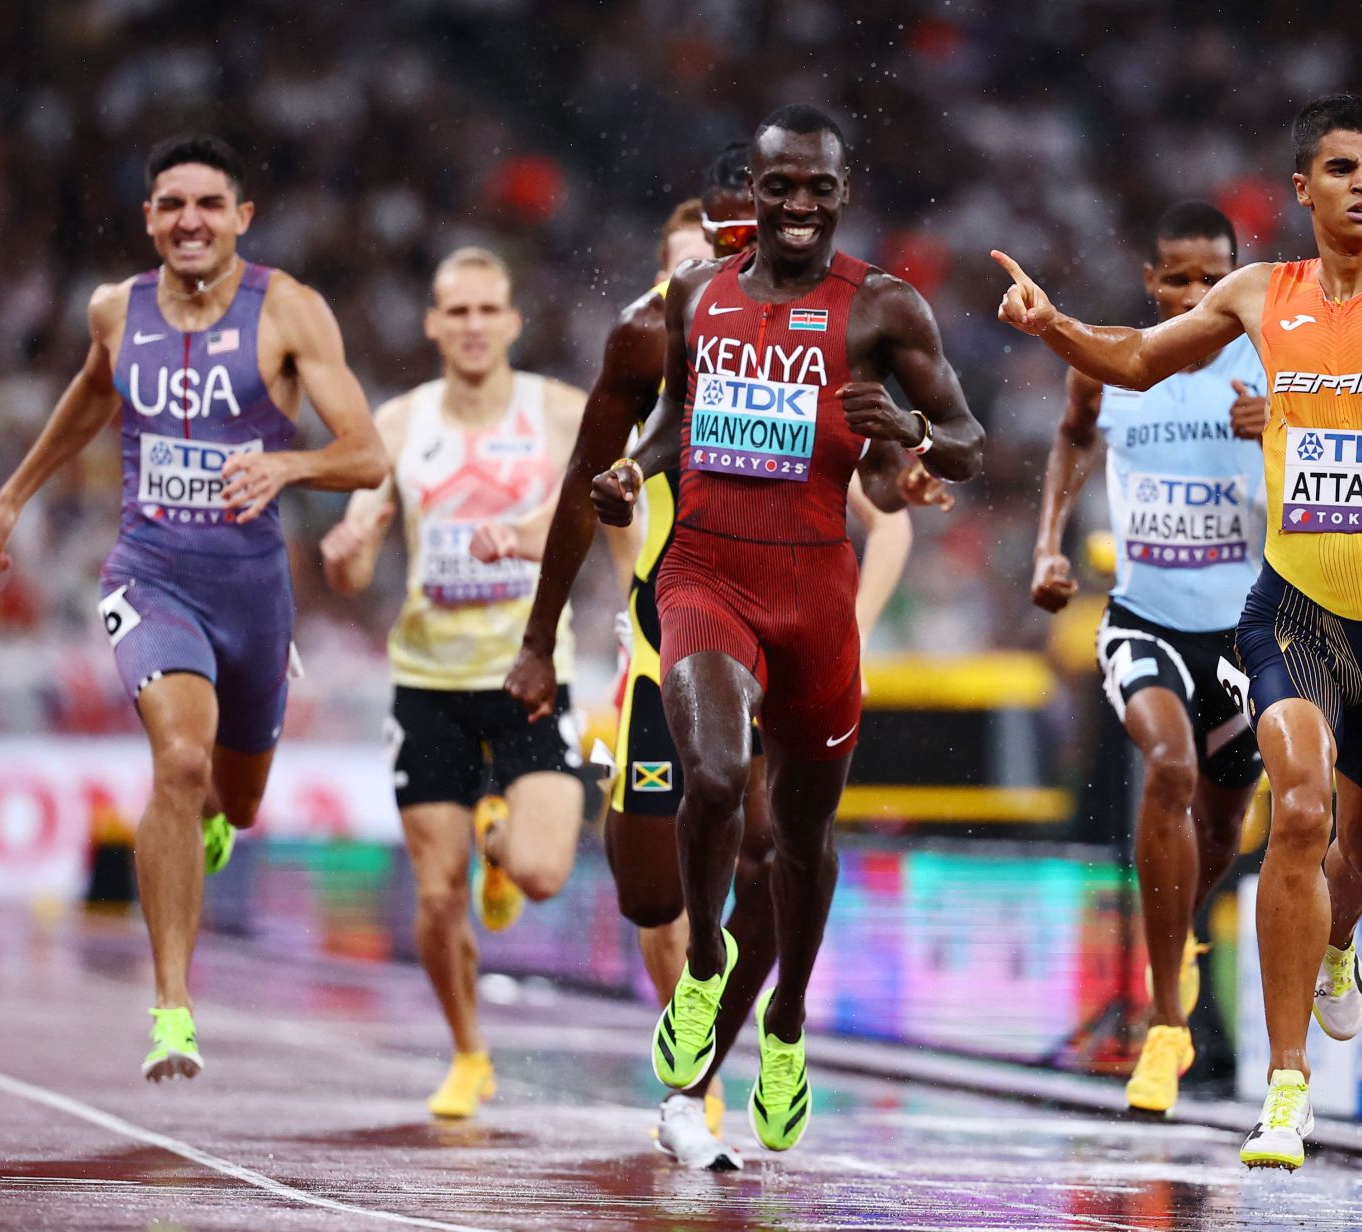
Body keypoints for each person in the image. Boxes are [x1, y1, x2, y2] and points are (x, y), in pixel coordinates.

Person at [995, 94, 1362, 1168]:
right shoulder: (1261, 294)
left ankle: (1342, 938)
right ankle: (1286, 1088)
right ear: (1302, 189)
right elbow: (1135, 359)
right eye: (1343, 167)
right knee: (1297, 808)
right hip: (1292, 606)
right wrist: (1051, 325)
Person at [506, 145, 939, 1169]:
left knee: (775, 847)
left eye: (738, 240)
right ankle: (697, 1009)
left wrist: (889, 505)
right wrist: (537, 639)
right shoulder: (661, 335)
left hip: (782, 638)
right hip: (666, 646)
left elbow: (881, 494)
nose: (729, 259)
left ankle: (708, 1072)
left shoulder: (821, 324)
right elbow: (583, 482)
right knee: (652, 893)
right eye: (704, 246)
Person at [592, 105, 984, 1154]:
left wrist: (909, 434)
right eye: (780, 187)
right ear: (751, 196)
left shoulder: (882, 307)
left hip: (816, 594)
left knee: (803, 840)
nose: (799, 205)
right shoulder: (696, 296)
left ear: (841, 192)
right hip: (707, 572)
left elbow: (967, 440)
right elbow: (679, 416)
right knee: (715, 777)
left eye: (818, 187)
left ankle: (789, 1025)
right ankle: (706, 970)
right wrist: (639, 462)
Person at [0, 135, 388, 1080]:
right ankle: (172, 1010)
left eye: (208, 204)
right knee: (180, 757)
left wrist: (291, 463)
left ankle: (205, 821)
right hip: (149, 574)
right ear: (149, 219)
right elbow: (88, 398)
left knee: (235, 802)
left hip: (251, 591)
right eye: (170, 205)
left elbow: (367, 453)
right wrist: (11, 498)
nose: (188, 220)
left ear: (243, 218)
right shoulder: (114, 310)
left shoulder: (289, 311)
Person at [318, 247, 586, 1121]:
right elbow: (355, 561)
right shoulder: (398, 423)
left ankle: (501, 844)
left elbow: (613, 516)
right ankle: (470, 1053)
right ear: (432, 324)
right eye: (455, 311)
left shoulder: (559, 413)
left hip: (531, 673)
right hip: (428, 680)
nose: (472, 325)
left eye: (487, 310)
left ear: (512, 321)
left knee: (544, 873)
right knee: (436, 893)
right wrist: (351, 552)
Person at [1030, 201, 1267, 1118]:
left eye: (1216, 278)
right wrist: (1049, 545)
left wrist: (1280, 429)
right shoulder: (1116, 361)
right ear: (1151, 282)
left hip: (1249, 636)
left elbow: (1339, 450)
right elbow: (1071, 435)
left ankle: (1184, 935)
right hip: (1144, 620)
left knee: (1219, 831)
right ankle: (1166, 1023)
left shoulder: (1270, 364)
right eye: (1180, 278)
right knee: (1169, 766)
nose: (1198, 294)